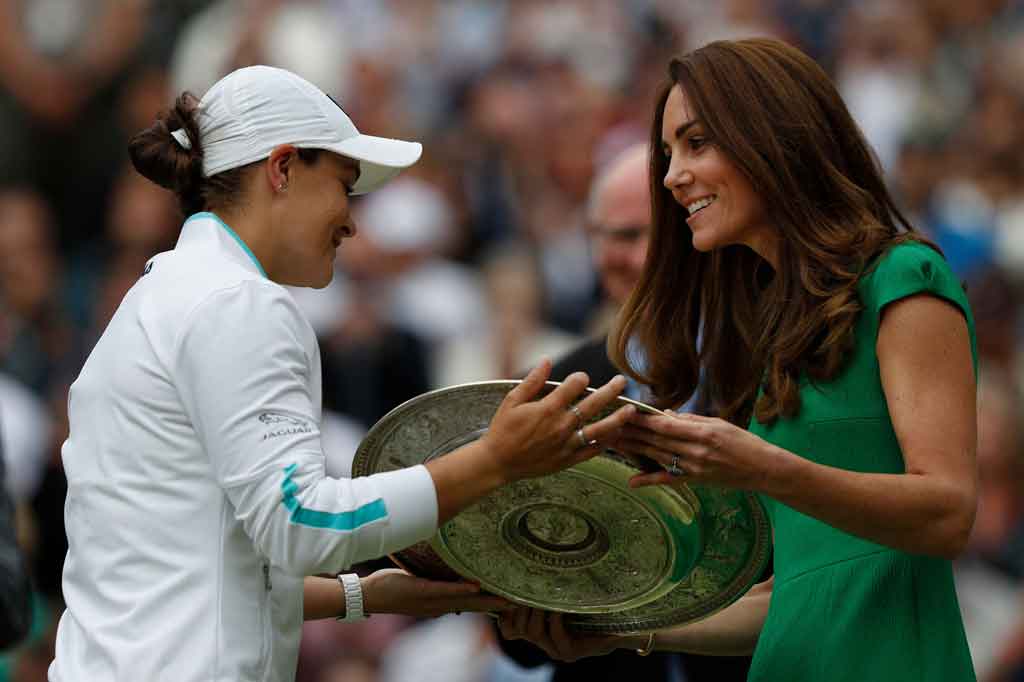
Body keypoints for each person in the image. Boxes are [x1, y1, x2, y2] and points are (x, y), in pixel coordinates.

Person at [48, 65, 634, 682]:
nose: (352, 220)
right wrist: (496, 460)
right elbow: (302, 522)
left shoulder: (161, 293)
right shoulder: (237, 302)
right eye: (344, 186)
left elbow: (194, 569)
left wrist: (368, 595)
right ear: (281, 169)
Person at [498, 38, 978, 682]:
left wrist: (761, 467)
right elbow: (790, 597)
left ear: (773, 139)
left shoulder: (904, 277)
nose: (671, 177)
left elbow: (947, 513)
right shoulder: (775, 329)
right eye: (669, 155)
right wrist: (623, 633)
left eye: (697, 144)